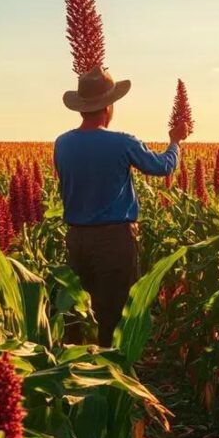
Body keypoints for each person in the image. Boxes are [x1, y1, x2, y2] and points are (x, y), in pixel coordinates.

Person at [55, 66, 188, 346]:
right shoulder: (121, 142)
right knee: (114, 317)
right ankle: (113, 379)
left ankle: (75, 376)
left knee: (77, 314)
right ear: (108, 107)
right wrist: (175, 142)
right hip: (113, 241)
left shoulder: (62, 144)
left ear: (81, 108)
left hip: (76, 240)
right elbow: (162, 167)